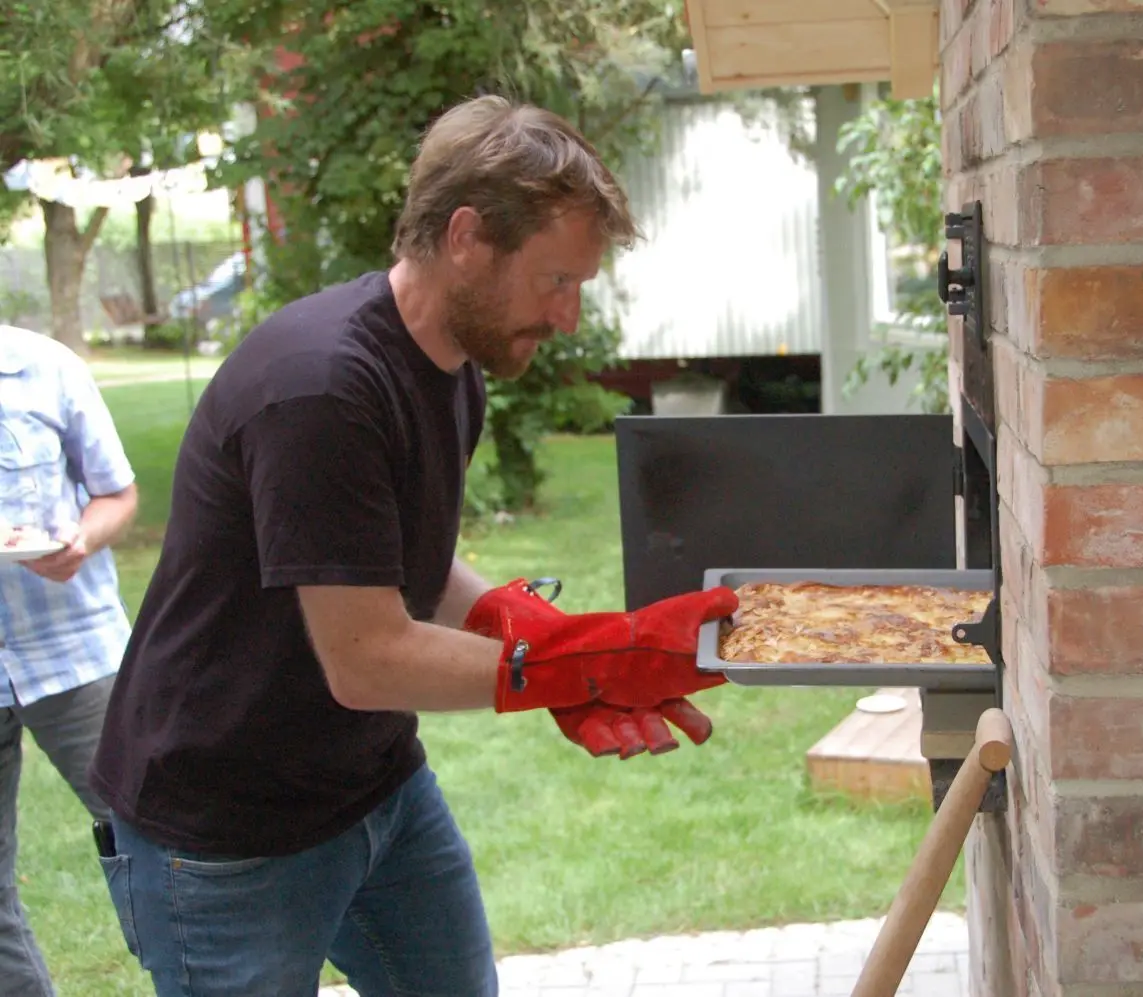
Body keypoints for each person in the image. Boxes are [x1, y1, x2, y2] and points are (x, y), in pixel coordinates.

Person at [86, 95, 738, 997]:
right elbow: (367, 658)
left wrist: (527, 627)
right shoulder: (320, 390)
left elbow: (397, 572)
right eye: (556, 280)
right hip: (227, 833)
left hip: (375, 790)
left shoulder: (450, 364)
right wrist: (574, 666)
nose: (570, 317)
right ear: (467, 237)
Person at [0, 323, 139, 997]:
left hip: (75, 655)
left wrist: (79, 540)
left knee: (161, 843)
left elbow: (119, 494)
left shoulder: (44, 367)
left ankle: (206, 979)